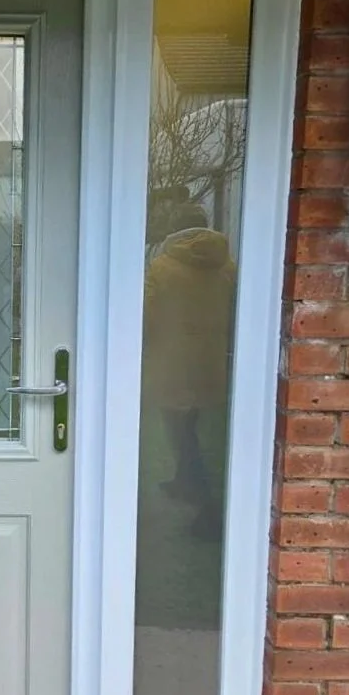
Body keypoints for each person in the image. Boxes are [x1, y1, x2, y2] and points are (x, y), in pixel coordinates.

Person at [142, 201, 237, 539]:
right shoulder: (228, 267)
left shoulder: (162, 266)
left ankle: (203, 504)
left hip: (173, 362)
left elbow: (148, 317)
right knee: (202, 431)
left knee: (180, 432)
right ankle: (185, 483)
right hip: (212, 364)